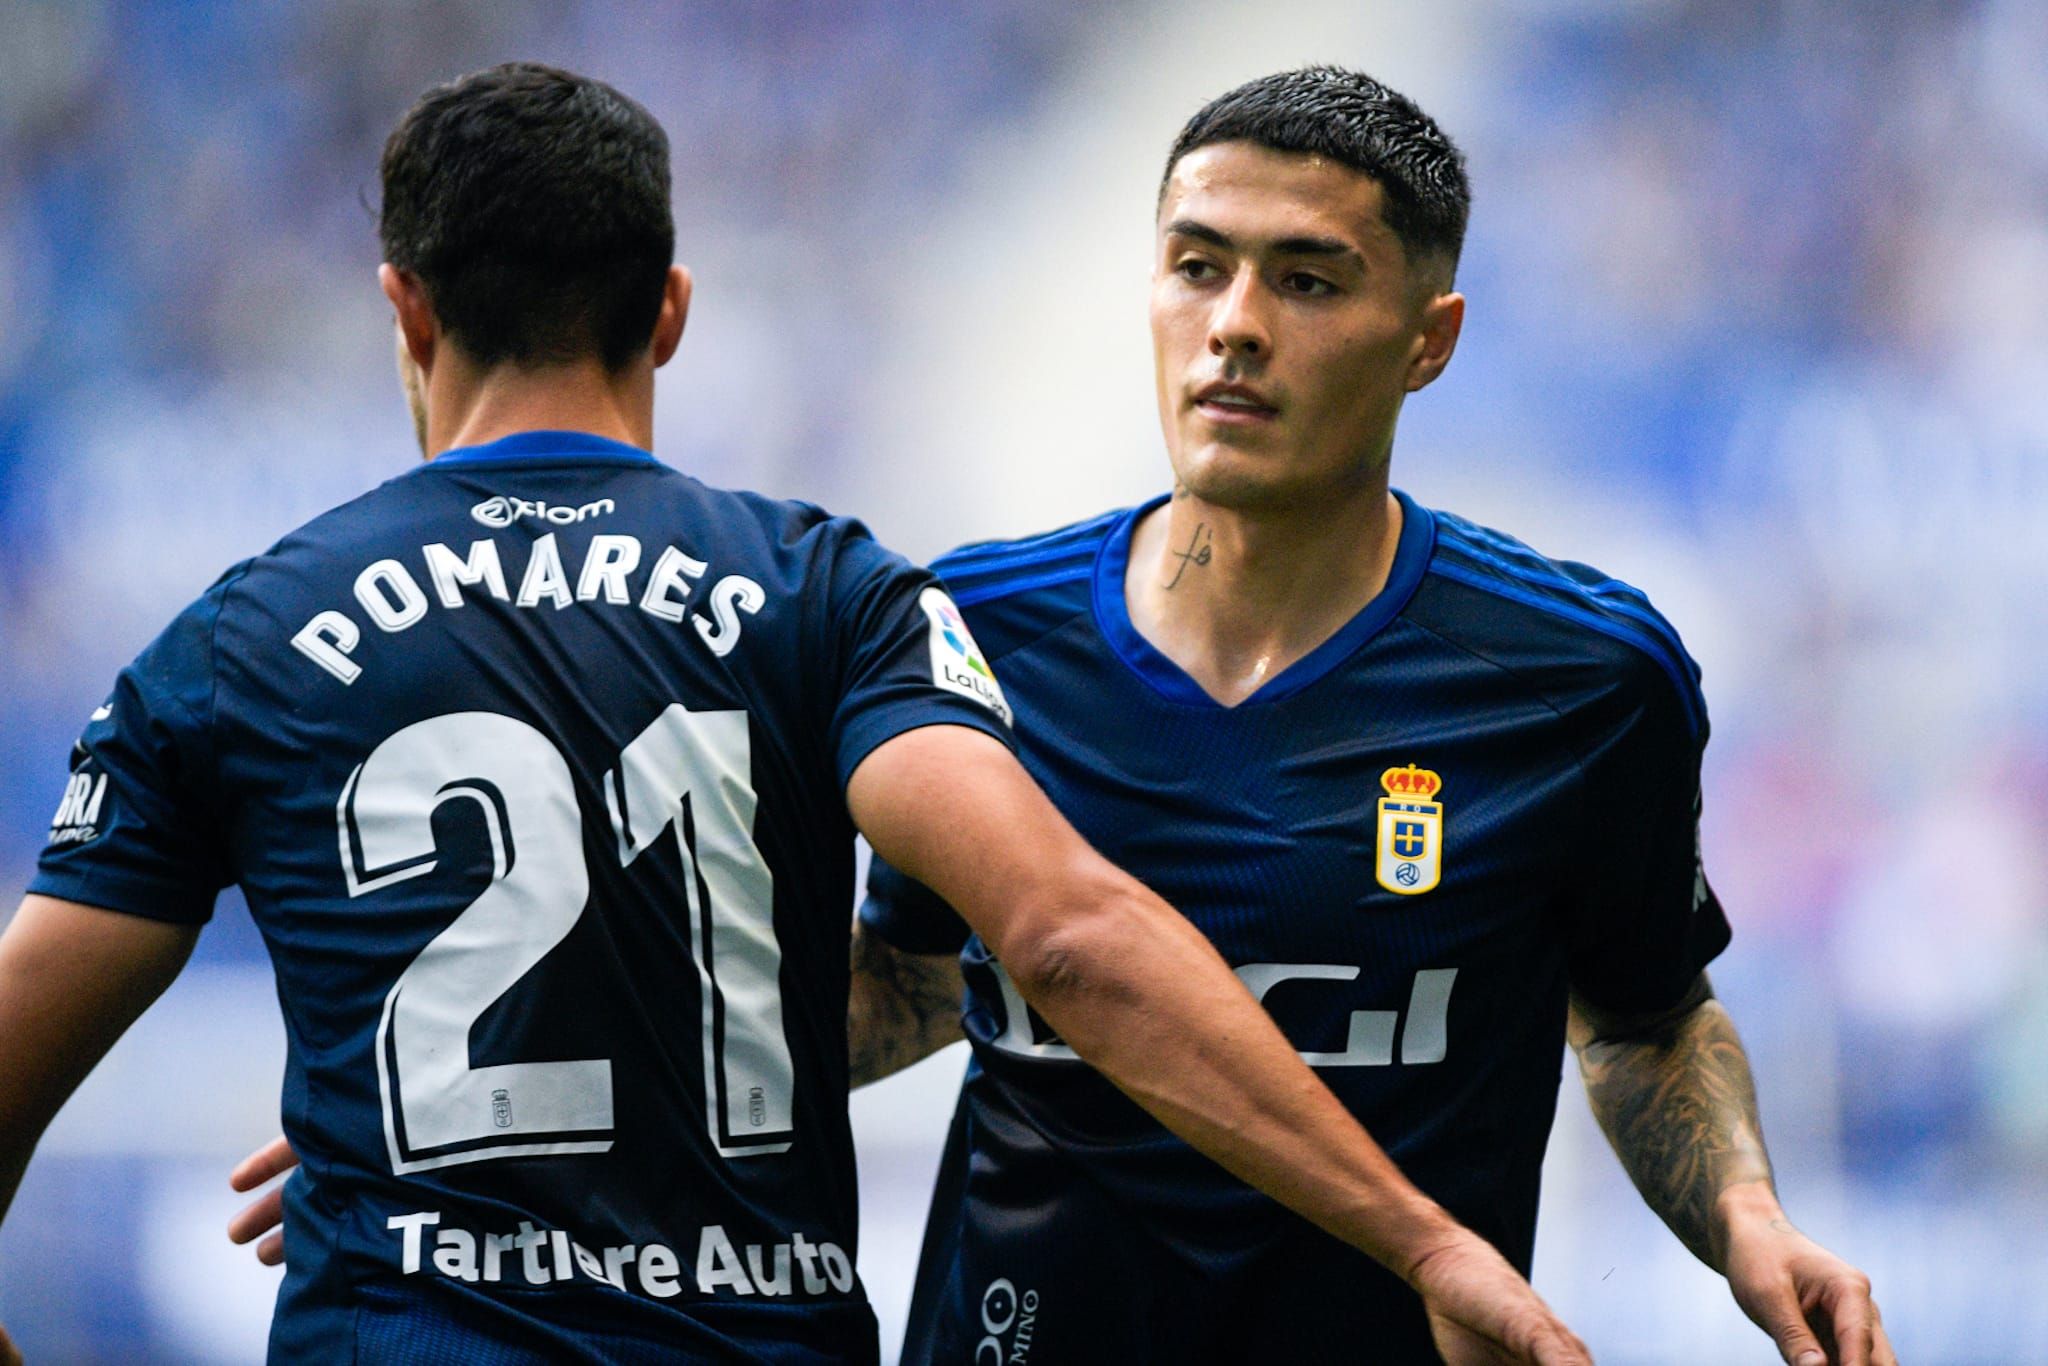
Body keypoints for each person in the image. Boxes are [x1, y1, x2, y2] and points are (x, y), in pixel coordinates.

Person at [0, 63, 1590, 1366]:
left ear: (406, 312)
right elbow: (1061, 934)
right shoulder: (829, 593)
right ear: (671, 310)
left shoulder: (238, 639)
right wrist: (1429, 1238)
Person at [842, 67, 1897, 1365]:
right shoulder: (975, 626)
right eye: (1196, 266)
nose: (1233, 324)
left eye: (1307, 279)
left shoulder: (1581, 678)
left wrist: (1744, 1216)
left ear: (1429, 338)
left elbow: (1642, 1019)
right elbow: (907, 977)